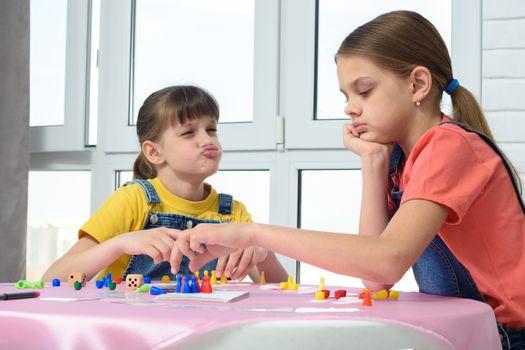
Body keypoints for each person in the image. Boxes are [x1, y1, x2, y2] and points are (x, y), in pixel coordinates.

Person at [169, 11, 525, 349]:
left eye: (365, 91)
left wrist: (252, 232)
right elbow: (376, 279)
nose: (349, 108)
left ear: (417, 84)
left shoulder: (448, 145)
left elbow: (388, 260)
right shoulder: (401, 159)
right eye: (346, 96)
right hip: (466, 330)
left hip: (506, 335)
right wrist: (373, 163)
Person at [43, 85, 287, 284]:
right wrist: (117, 244)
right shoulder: (132, 200)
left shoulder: (233, 213)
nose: (206, 139)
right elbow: (53, 279)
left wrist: (262, 254)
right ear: (154, 152)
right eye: (188, 133)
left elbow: (282, 290)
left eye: (211, 129)